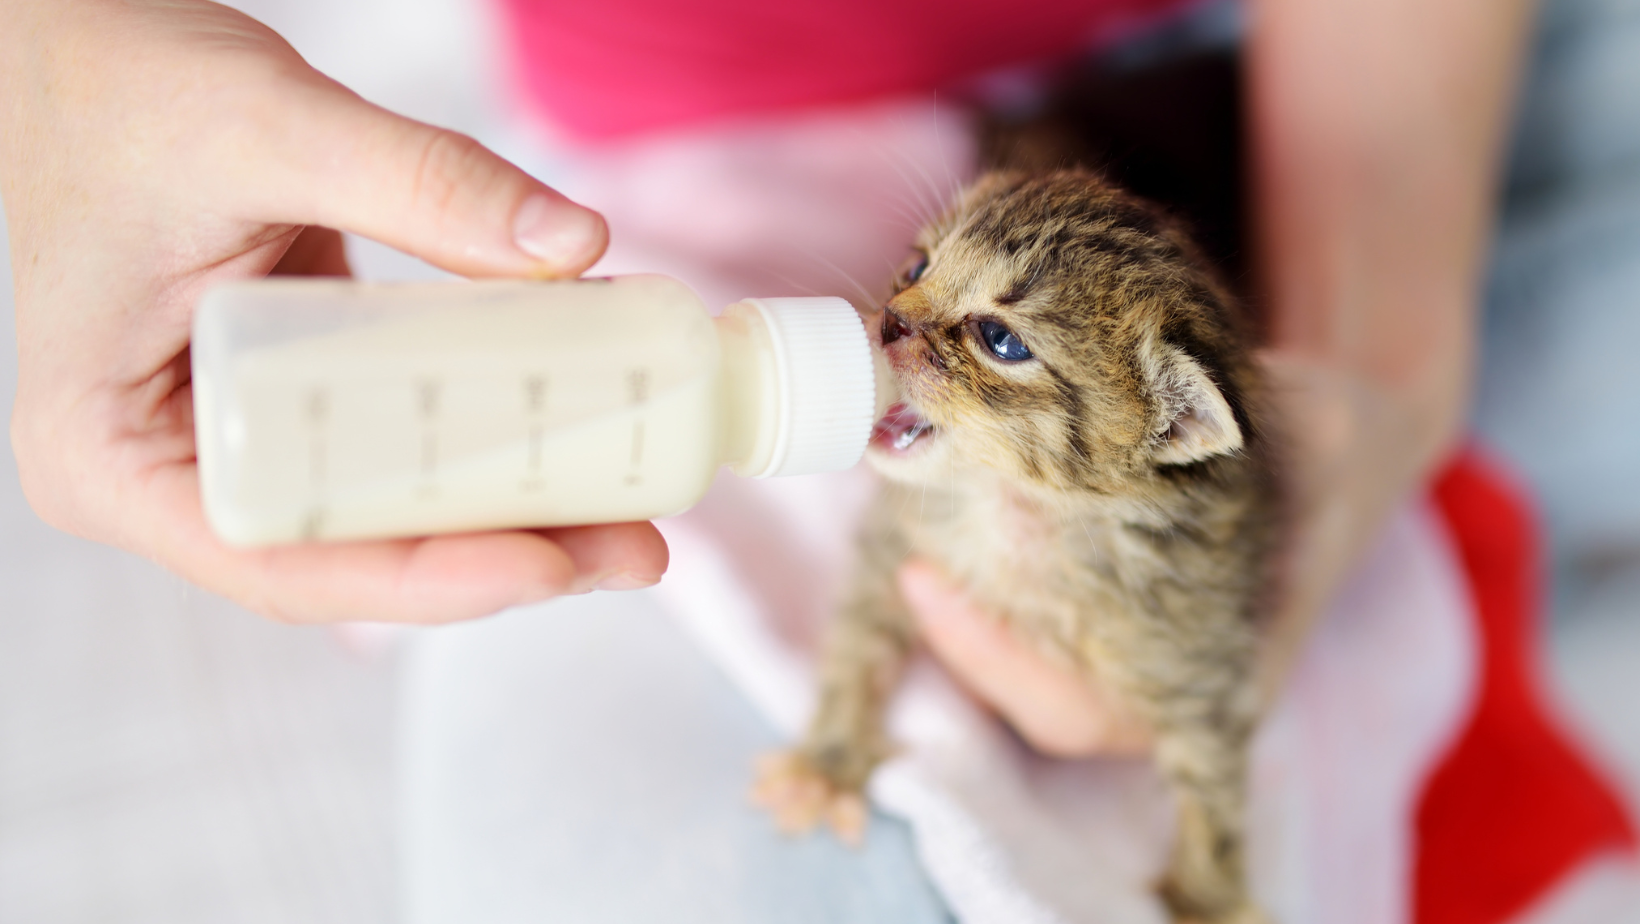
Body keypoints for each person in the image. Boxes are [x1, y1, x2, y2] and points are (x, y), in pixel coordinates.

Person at [0, 0, 1529, 780]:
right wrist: (55, 58)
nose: (898, 335)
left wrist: (1384, 362)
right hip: (710, 136)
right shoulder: (707, 301)